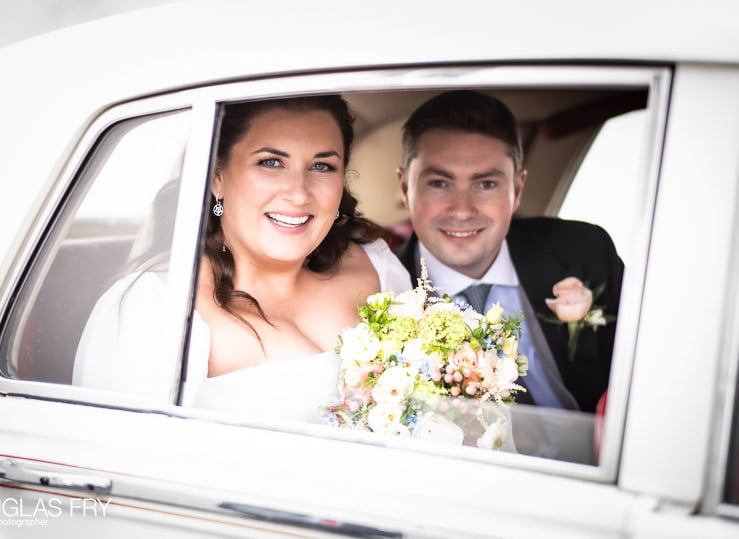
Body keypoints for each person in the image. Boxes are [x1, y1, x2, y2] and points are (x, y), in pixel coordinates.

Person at [74, 95, 411, 422]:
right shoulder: (159, 306)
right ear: (217, 176)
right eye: (271, 162)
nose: (298, 192)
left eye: (322, 166)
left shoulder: (376, 268)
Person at [394, 90, 623, 414]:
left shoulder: (585, 251)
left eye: (485, 184)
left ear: (517, 189)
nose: (461, 210)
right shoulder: (384, 295)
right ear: (406, 188)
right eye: (439, 184)